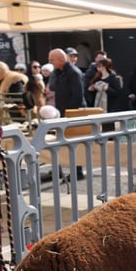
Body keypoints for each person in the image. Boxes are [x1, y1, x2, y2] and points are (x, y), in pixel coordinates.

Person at [49, 48, 87, 179]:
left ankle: (78, 171)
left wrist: (69, 114)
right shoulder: (59, 72)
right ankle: (67, 170)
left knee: (74, 143)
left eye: (52, 60)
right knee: (67, 142)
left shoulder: (73, 72)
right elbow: (53, 87)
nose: (50, 62)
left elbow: (77, 95)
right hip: (64, 112)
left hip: (72, 113)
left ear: (61, 59)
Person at [88, 57, 123, 122]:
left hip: (110, 108)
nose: (97, 67)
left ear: (104, 66)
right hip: (98, 107)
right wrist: (92, 89)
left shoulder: (113, 78)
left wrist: (107, 89)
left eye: (99, 65)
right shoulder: (97, 78)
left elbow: (118, 93)